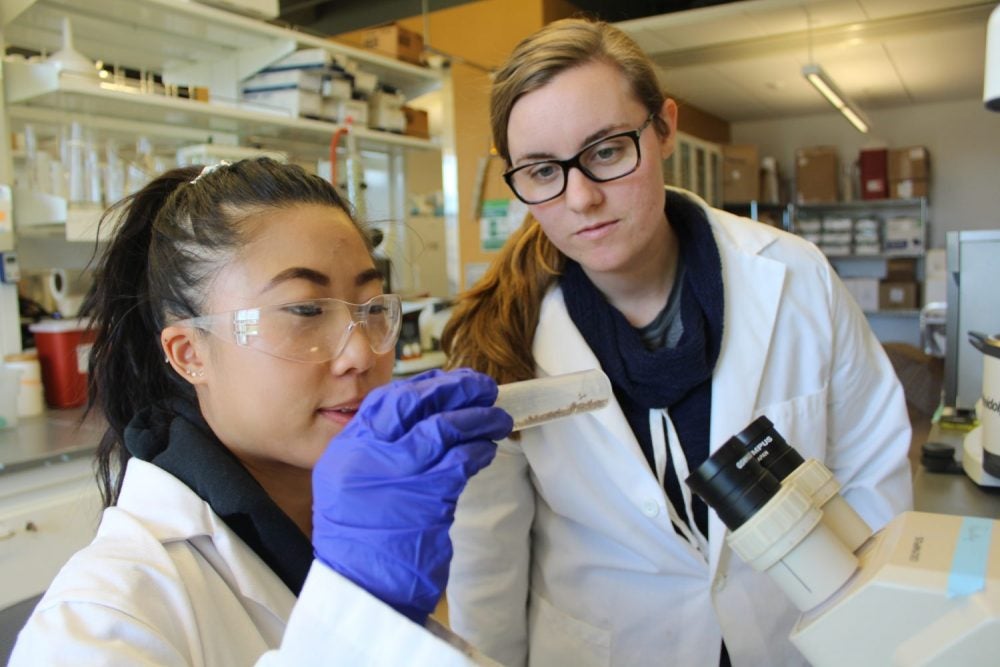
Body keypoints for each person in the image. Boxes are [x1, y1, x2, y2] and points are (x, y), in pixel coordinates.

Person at [441, 18, 913, 667]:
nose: (580, 197)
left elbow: (873, 476)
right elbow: (485, 561)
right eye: (544, 170)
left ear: (664, 127)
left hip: (791, 639)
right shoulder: (503, 335)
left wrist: (875, 641)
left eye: (606, 150)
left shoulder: (796, 278)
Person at [10, 158, 512, 665]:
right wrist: (361, 603)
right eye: (305, 311)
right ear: (190, 353)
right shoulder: (102, 620)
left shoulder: (381, 527)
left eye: (370, 308)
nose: (361, 354)